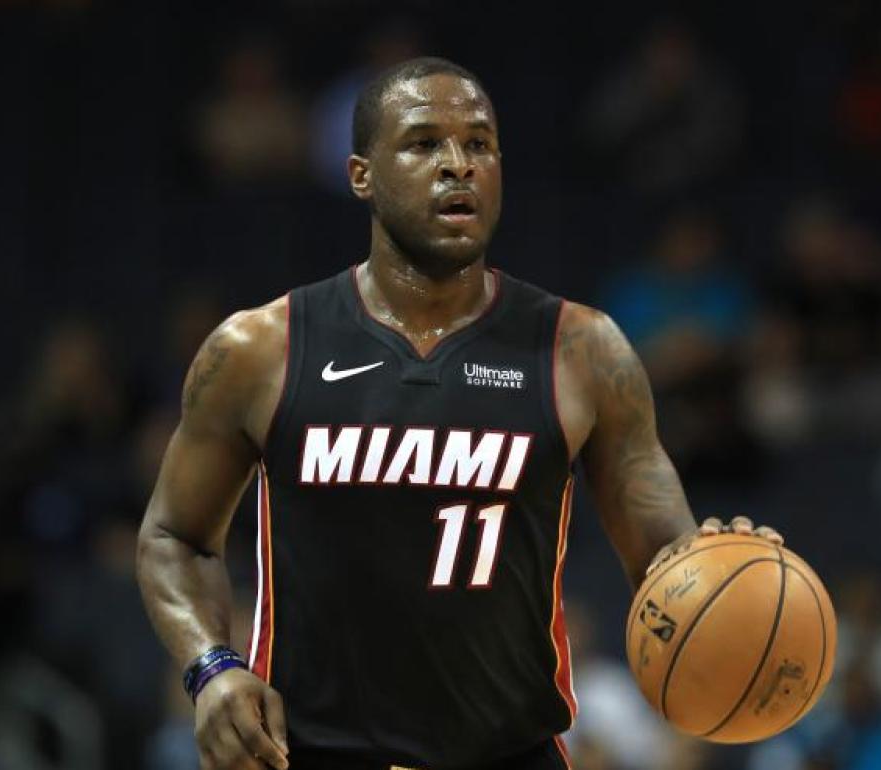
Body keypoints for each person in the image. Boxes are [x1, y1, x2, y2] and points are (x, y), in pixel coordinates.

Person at [136, 57, 783, 770]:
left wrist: (722, 574)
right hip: (311, 754)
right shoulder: (261, 348)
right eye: (424, 144)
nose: (458, 166)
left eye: (479, 145)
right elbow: (174, 535)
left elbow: (666, 559)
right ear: (362, 175)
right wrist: (210, 666)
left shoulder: (582, 351)